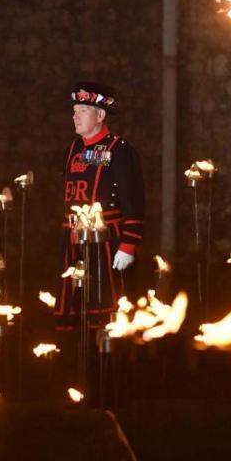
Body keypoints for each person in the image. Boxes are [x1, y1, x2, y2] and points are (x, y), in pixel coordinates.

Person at [54, 81, 144, 329]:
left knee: (105, 311)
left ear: (101, 114)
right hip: (73, 241)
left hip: (107, 243)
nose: (76, 117)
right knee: (74, 309)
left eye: (83, 111)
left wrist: (128, 244)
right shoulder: (72, 149)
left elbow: (133, 199)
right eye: (74, 111)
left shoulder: (120, 150)